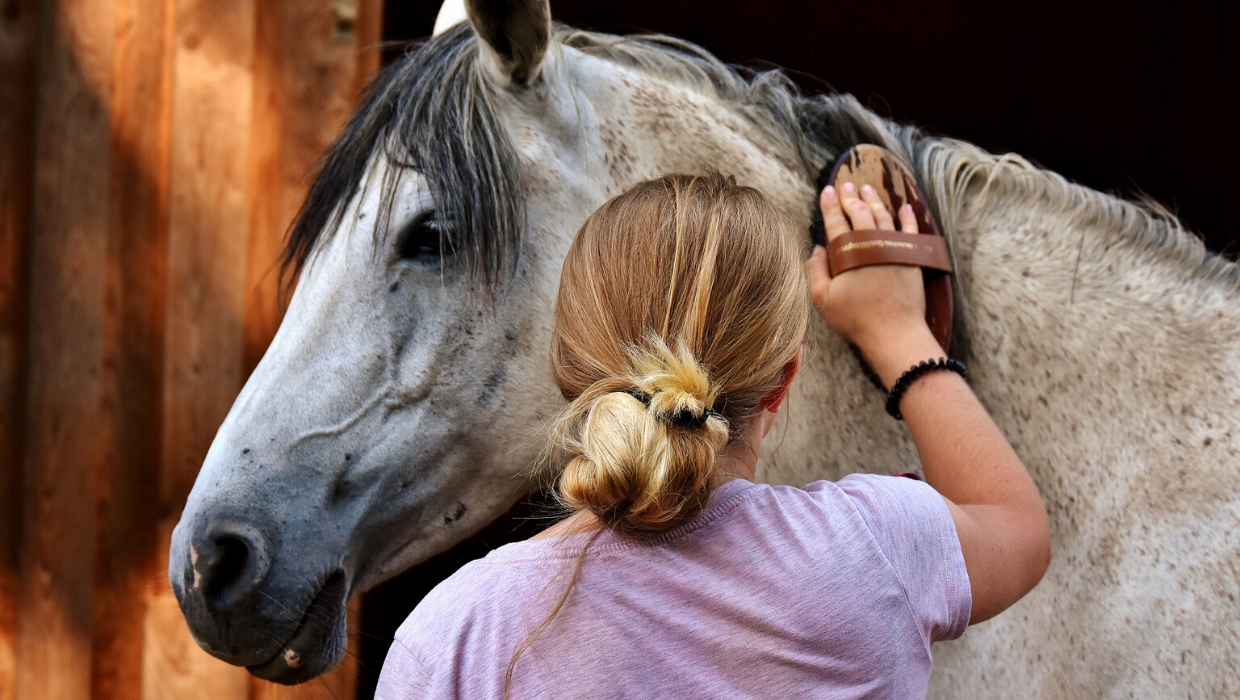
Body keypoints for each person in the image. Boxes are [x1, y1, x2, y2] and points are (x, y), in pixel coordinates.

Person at [375, 171, 1051, 699]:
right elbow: (1017, 527)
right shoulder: (874, 547)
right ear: (784, 380)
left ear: (569, 375)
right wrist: (897, 331)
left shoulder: (455, 639)